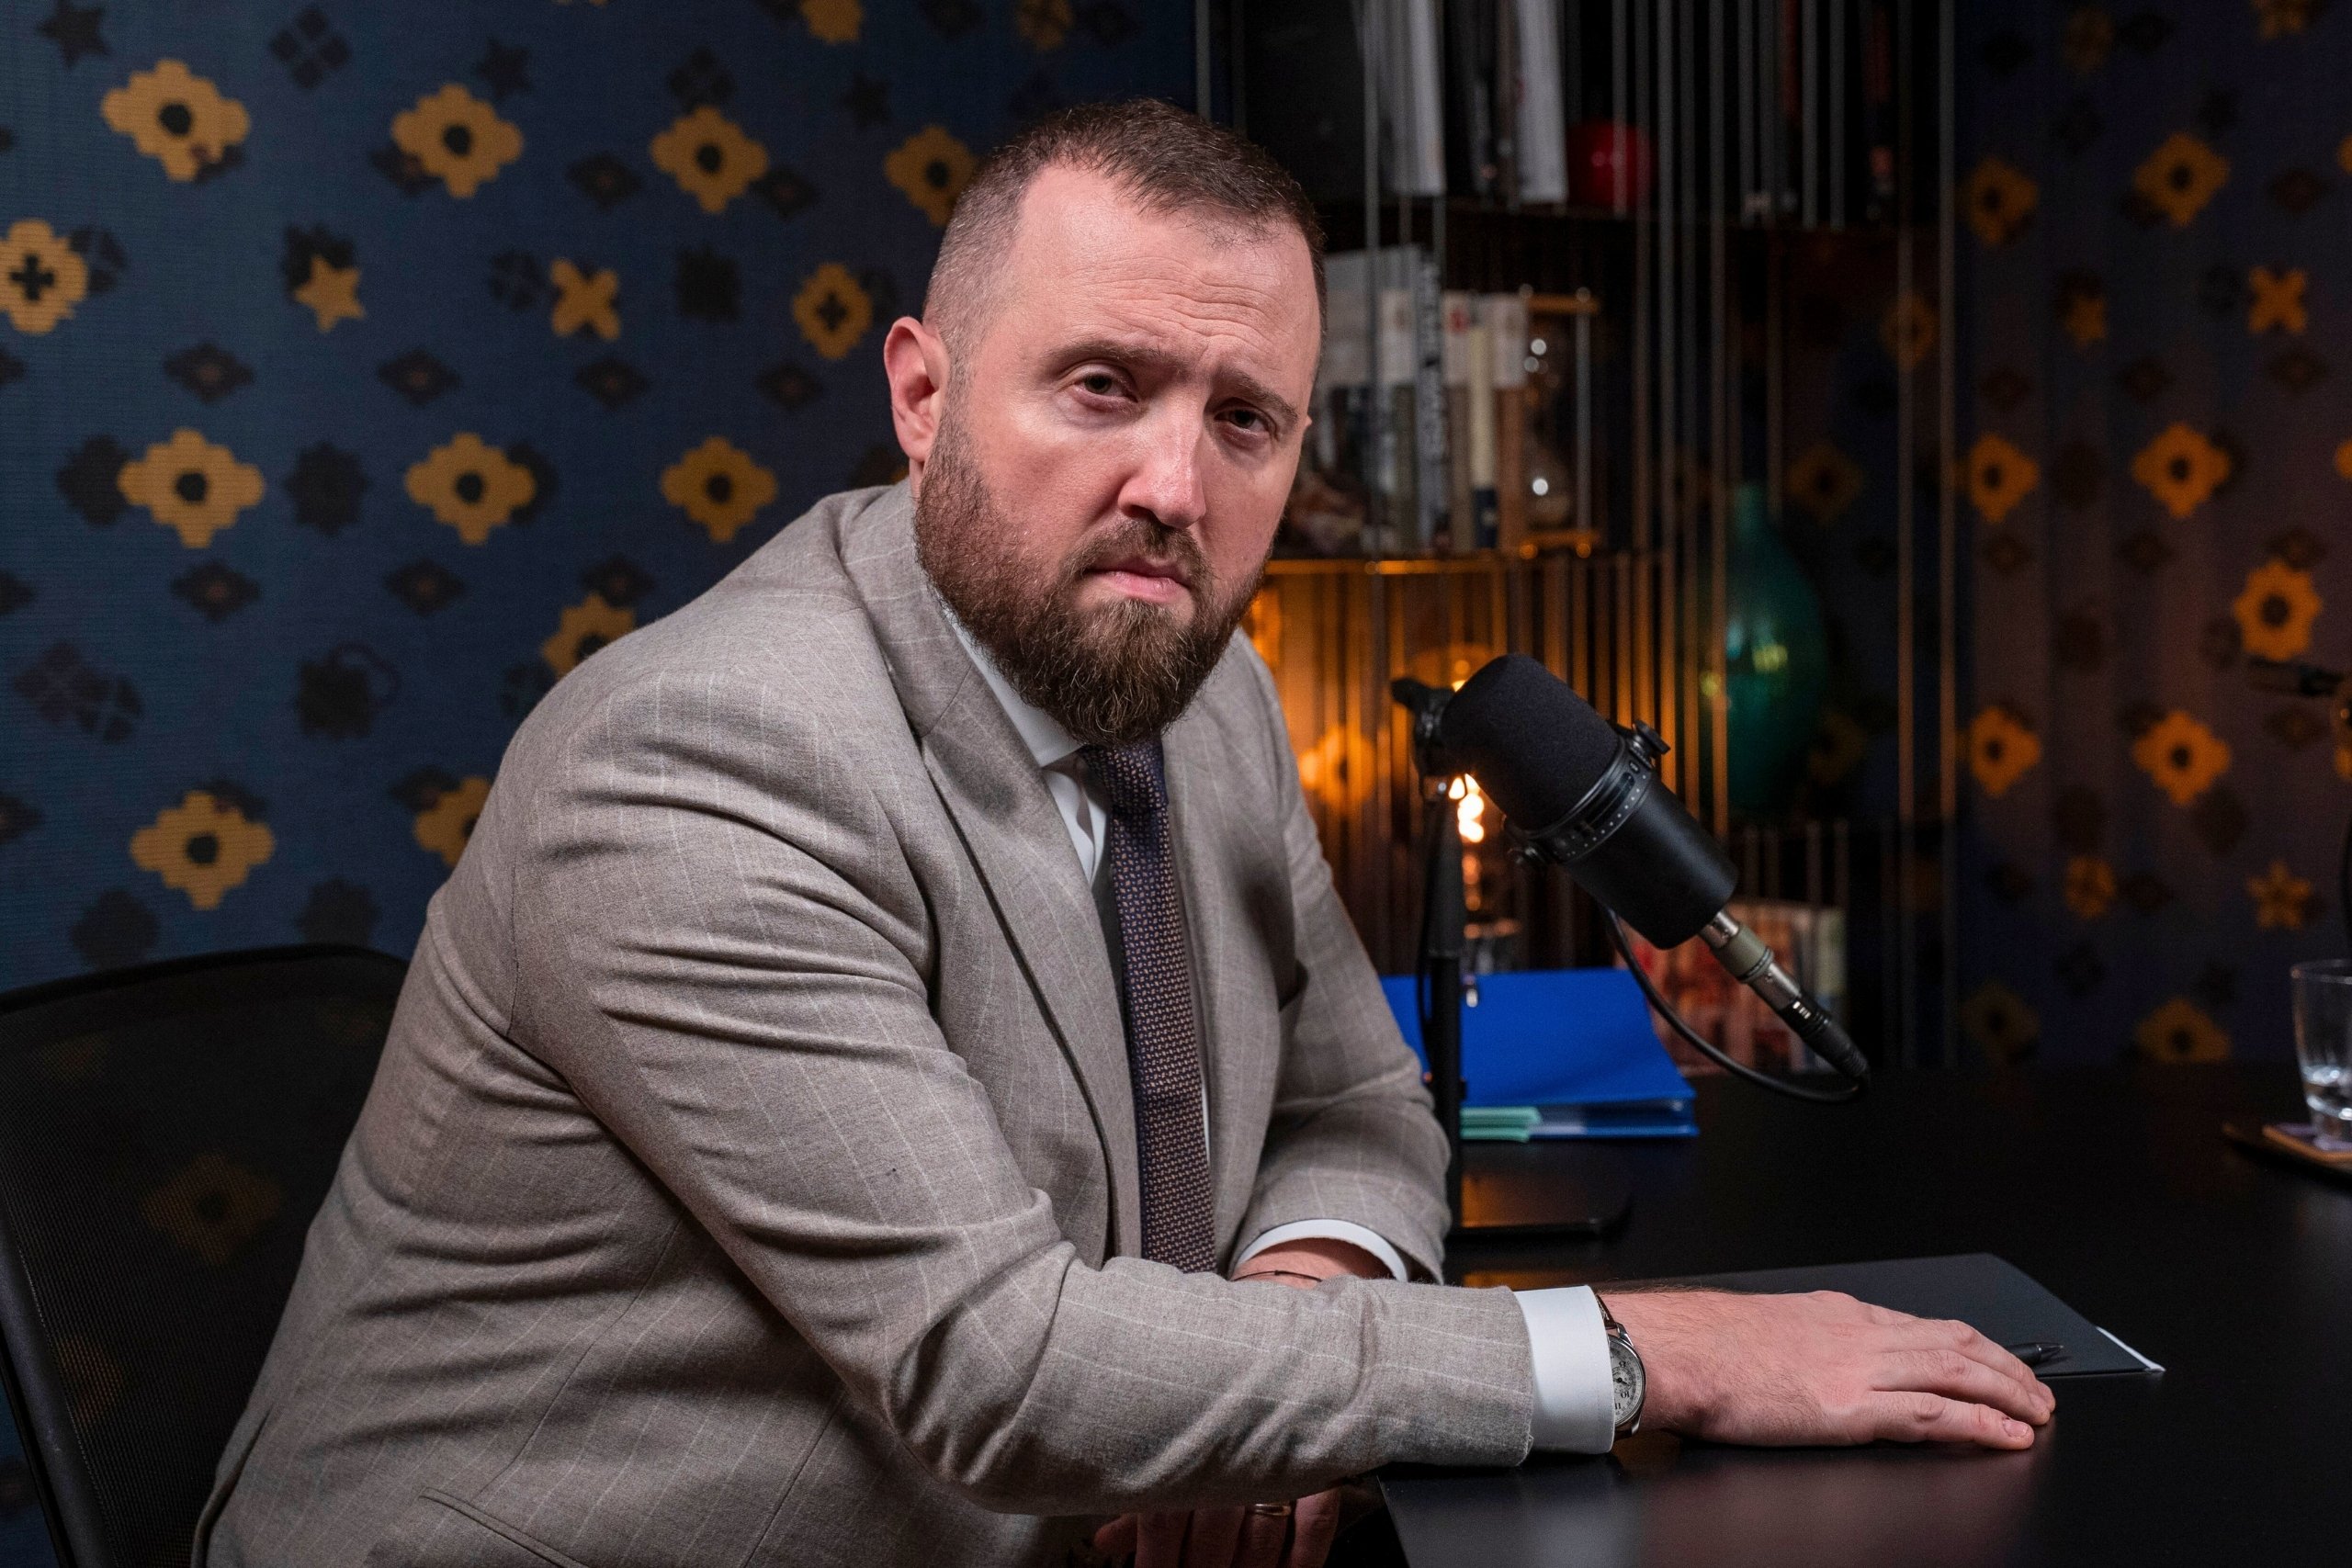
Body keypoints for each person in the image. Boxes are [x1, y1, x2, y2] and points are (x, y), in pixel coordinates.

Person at [198, 100, 2052, 1568]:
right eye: (1102, 385)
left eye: (1245, 419)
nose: (1172, 484)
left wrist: (1301, 1304)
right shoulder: (702, 762)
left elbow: (1356, 1099)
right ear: (922, 392)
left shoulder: (1202, 688)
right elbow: (1002, 1366)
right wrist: (1653, 1352)